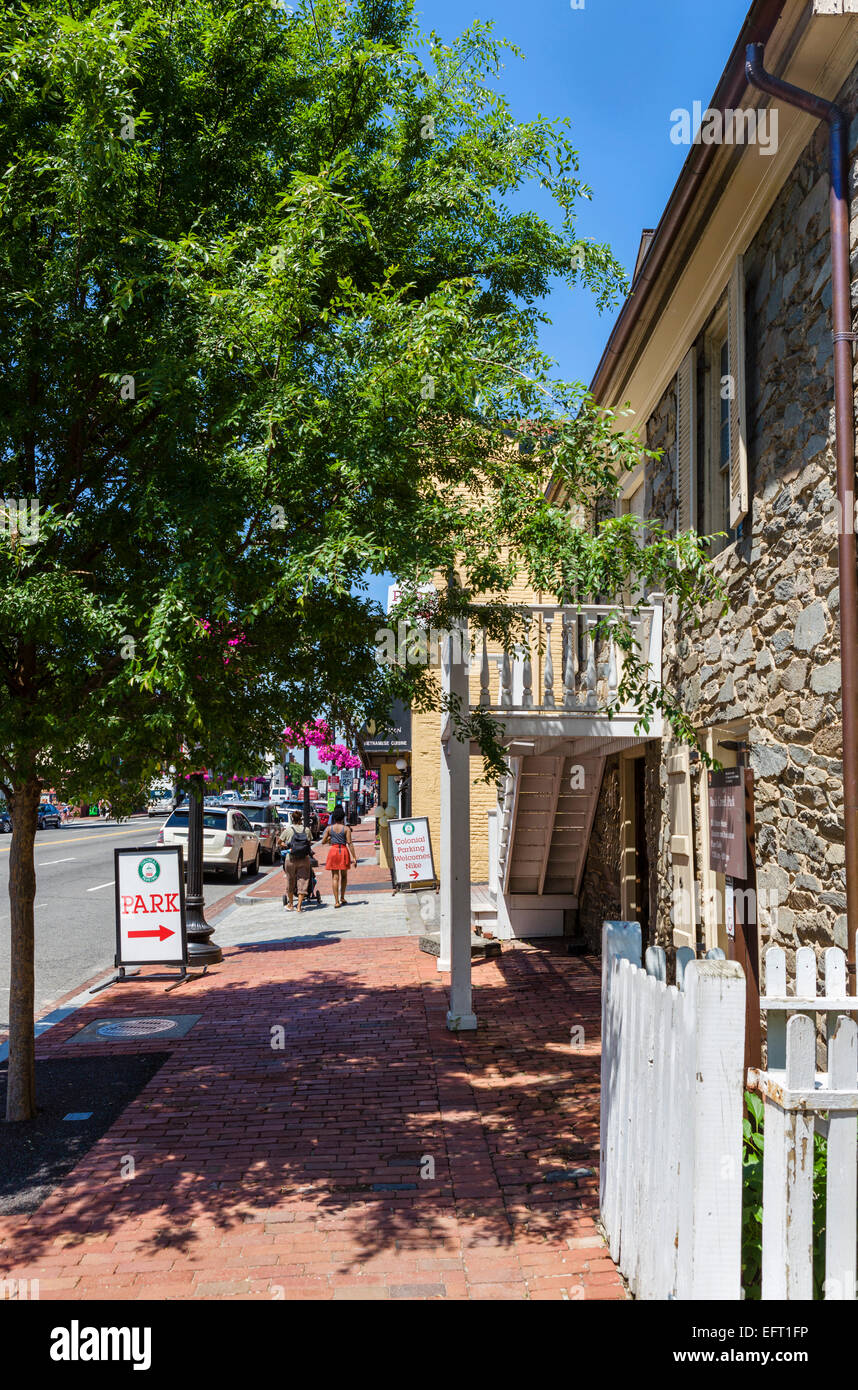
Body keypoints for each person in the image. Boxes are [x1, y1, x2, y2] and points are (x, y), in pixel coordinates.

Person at [279, 809, 316, 912]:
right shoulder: (306, 830)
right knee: (303, 881)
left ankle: (291, 904)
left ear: (292, 819)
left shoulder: (288, 830)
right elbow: (309, 842)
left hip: (291, 858)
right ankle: (299, 907)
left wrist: (287, 845)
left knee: (290, 881)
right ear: (301, 819)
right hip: (304, 859)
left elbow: (279, 842)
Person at [319, 804, 357, 907]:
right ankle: (342, 897)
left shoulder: (329, 828)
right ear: (343, 817)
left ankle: (336, 901)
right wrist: (354, 857)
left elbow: (323, 842)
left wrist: (330, 839)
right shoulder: (346, 829)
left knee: (335, 877)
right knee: (344, 876)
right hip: (343, 851)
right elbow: (350, 843)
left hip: (333, 851)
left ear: (334, 817)